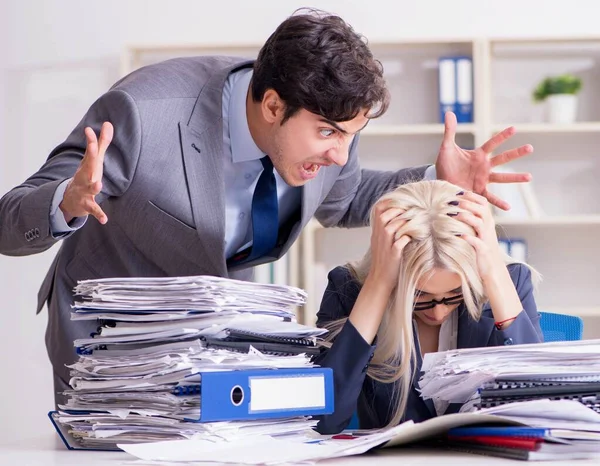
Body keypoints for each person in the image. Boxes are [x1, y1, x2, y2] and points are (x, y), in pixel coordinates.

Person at [0, 9, 533, 405]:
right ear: (273, 105)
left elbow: (346, 198)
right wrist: (65, 203)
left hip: (217, 342)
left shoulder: (329, 136)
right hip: (114, 346)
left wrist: (436, 178)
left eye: (352, 135)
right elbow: (9, 218)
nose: (341, 153)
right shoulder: (145, 114)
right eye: (327, 133)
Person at [313, 179, 543, 434]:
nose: (438, 312)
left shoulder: (508, 283)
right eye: (420, 296)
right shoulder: (349, 289)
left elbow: (538, 409)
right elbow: (323, 421)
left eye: (455, 294)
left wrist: (493, 274)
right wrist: (379, 285)